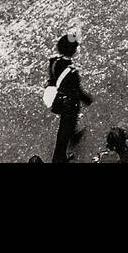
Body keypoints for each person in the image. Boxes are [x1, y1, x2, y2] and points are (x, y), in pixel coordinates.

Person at [48, 32, 94, 164]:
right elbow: (76, 90)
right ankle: (59, 158)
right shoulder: (71, 71)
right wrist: (87, 99)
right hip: (69, 103)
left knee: (67, 125)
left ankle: (73, 134)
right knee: (64, 131)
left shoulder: (53, 62)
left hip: (59, 98)